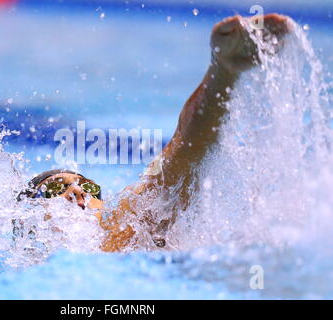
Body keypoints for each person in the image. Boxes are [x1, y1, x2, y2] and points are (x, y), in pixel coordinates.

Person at [16, 14, 290, 252]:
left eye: (89, 187)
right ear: (28, 219)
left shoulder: (125, 234)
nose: (78, 190)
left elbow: (179, 161)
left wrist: (223, 73)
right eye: (56, 188)